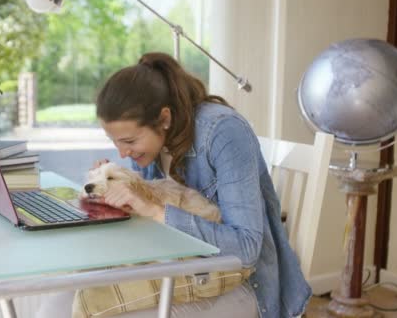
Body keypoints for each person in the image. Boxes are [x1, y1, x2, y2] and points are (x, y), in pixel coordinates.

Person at [84, 52, 311, 318]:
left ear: (164, 119)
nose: (123, 153)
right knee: (66, 300)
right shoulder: (150, 148)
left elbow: (246, 250)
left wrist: (156, 212)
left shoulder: (223, 131)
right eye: (116, 142)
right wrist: (115, 191)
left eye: (130, 142)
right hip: (178, 271)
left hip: (241, 282)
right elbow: (151, 224)